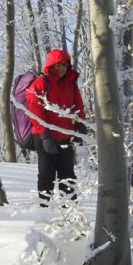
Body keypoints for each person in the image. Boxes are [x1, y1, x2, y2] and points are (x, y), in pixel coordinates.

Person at [26, 49, 88, 206]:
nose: (61, 68)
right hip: (44, 136)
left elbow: (78, 106)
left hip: (65, 136)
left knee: (67, 175)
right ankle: (44, 210)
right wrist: (45, 135)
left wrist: (81, 125)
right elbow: (34, 111)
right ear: (50, 66)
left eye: (64, 65)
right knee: (46, 174)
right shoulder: (41, 83)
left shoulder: (71, 84)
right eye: (57, 65)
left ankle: (70, 211)